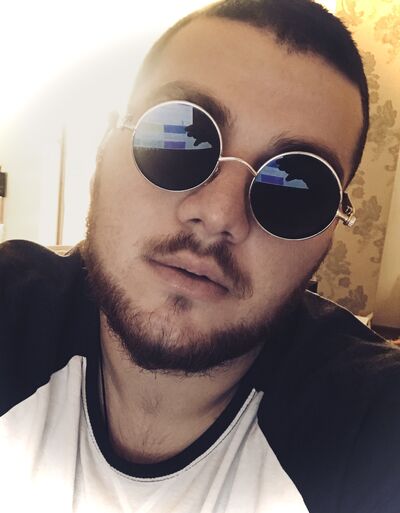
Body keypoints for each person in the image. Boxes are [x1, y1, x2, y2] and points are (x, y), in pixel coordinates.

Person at [1, 0, 400, 512]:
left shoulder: (373, 423)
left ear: (331, 233)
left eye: (295, 186)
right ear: (104, 151)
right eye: (179, 139)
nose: (218, 215)